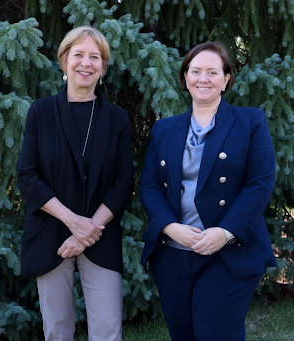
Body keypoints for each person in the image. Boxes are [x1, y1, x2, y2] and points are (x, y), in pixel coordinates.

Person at [139, 42, 277, 341]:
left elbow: (260, 182)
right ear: (185, 77)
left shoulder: (250, 121)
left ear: (226, 79)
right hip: (173, 254)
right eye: (196, 71)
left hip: (227, 253)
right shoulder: (165, 129)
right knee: (183, 335)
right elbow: (149, 185)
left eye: (213, 72)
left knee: (216, 334)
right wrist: (170, 227)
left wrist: (225, 232)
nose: (203, 79)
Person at [16, 26, 134, 341]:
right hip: (50, 232)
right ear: (64, 60)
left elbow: (124, 182)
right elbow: (27, 176)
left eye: (95, 56)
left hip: (101, 236)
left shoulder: (117, 119)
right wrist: (73, 222)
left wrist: (89, 229)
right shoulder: (40, 112)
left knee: (108, 330)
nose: (86, 62)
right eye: (78, 54)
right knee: (56, 329)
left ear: (103, 67)